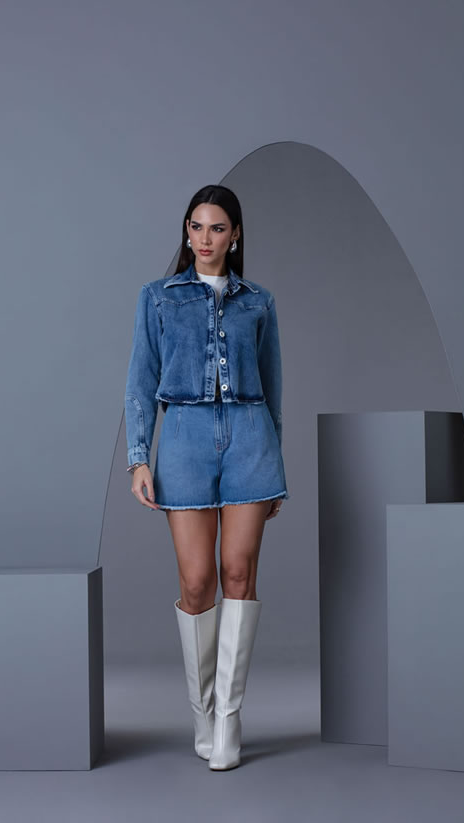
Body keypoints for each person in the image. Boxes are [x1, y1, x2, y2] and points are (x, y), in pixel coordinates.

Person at [123, 184, 289, 770]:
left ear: (235, 235)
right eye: (196, 227)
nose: (204, 238)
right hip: (185, 441)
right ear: (186, 232)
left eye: (217, 228)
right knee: (197, 583)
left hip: (250, 440)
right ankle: (203, 710)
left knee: (238, 574)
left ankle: (228, 721)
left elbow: (272, 388)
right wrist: (139, 458)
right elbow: (140, 381)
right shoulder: (158, 298)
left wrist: (275, 468)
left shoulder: (258, 302)